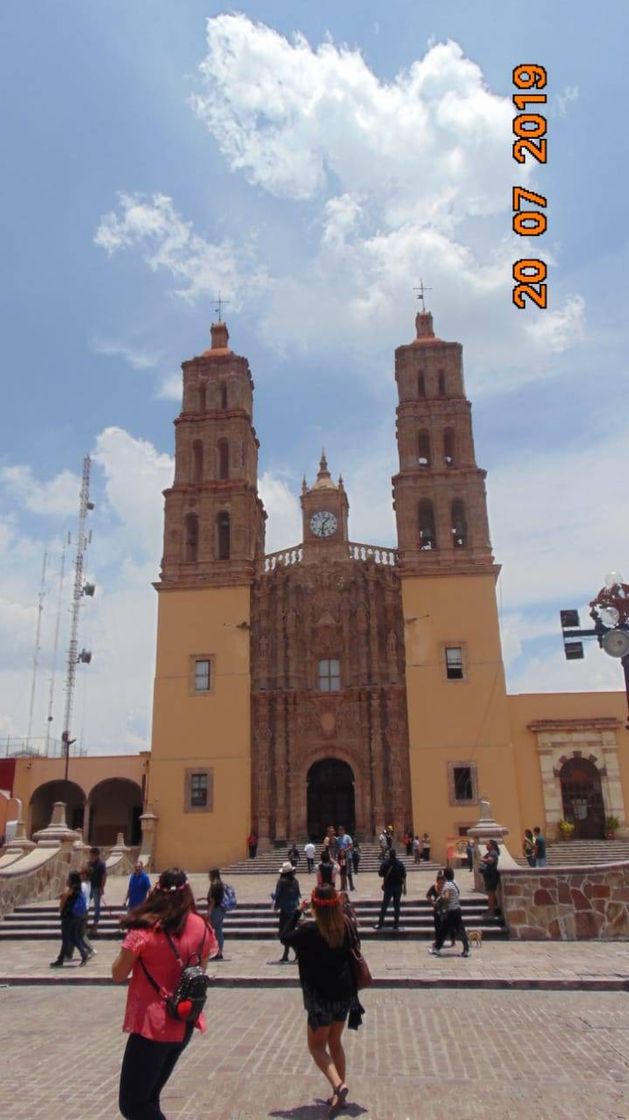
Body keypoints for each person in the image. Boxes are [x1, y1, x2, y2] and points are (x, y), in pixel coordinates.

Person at [112, 867, 217, 1120]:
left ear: (157, 891)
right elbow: (199, 972)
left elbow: (118, 973)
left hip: (152, 1026)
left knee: (133, 1105)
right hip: (184, 1021)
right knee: (149, 1098)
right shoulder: (202, 927)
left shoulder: (145, 929)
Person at [281, 884, 363, 1117]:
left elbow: (284, 936)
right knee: (335, 1042)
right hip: (344, 994)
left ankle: (339, 1085)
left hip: (321, 998)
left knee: (316, 1046)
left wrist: (298, 911)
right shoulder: (345, 926)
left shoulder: (309, 931)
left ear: (314, 904)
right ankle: (339, 1097)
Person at [50, 870, 91, 967]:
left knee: (65, 939)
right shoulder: (78, 887)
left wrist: (60, 908)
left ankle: (60, 960)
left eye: (69, 877)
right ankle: (83, 953)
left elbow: (64, 896)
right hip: (77, 916)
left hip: (68, 916)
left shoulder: (70, 887)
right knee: (73, 937)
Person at [429, 867, 470, 957]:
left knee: (444, 930)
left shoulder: (447, 885)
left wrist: (440, 899)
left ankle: (437, 948)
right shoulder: (455, 883)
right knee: (460, 930)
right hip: (457, 909)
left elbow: (446, 897)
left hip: (450, 911)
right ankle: (466, 949)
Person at [273, 861, 301, 963]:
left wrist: (275, 905)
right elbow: (298, 894)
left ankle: (297, 952)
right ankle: (286, 955)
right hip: (294, 909)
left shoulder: (281, 882)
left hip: (285, 910)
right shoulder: (295, 881)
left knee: (283, 934)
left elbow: (278, 895)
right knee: (290, 932)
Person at [373, 848, 407, 930]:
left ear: (389, 854)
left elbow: (380, 874)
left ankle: (380, 924)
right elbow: (404, 876)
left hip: (389, 887)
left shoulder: (385, 863)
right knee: (397, 906)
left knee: (385, 906)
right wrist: (405, 887)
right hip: (398, 887)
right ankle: (396, 925)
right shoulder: (400, 863)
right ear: (395, 854)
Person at [425, 870, 451, 948]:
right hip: (437, 909)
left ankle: (451, 940)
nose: (441, 884)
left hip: (446, 909)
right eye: (439, 882)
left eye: (442, 882)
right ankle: (438, 940)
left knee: (446, 926)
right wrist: (433, 902)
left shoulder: (447, 888)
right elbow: (428, 896)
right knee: (437, 926)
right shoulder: (434, 887)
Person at [206, 868, 226, 960]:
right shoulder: (220, 884)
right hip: (221, 909)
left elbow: (213, 900)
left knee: (209, 931)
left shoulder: (214, 884)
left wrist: (209, 911)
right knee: (219, 931)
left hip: (215, 910)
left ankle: (209, 952)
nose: (208, 876)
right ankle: (219, 952)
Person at [87, 845, 107, 933]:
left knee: (97, 907)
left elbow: (104, 876)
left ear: (97, 855)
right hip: (89, 888)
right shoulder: (89, 863)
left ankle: (95, 924)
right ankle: (84, 922)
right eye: (90, 855)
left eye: (92, 855)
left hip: (97, 888)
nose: (91, 857)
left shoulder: (101, 864)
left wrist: (102, 887)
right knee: (85, 905)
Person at [480, 839, 501, 916]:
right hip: (489, 875)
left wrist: (482, 859)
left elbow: (490, 861)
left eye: (488, 844)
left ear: (492, 845)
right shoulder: (490, 853)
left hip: (491, 876)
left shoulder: (493, 853)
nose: (486, 845)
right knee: (490, 893)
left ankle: (491, 911)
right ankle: (490, 909)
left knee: (491, 894)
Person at [336, 826, 354, 890]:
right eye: (339, 830)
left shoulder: (347, 837)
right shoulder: (337, 839)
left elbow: (351, 845)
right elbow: (336, 847)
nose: (340, 831)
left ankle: (351, 886)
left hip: (348, 857)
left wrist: (345, 850)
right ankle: (343, 886)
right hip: (342, 858)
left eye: (341, 830)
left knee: (348, 871)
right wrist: (340, 851)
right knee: (343, 871)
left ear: (344, 830)